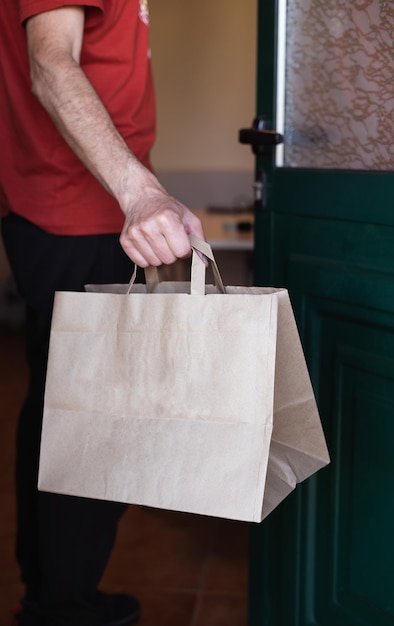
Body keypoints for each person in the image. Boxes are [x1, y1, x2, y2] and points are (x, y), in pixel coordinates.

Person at [0, 1, 205, 624]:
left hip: (73, 213)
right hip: (79, 216)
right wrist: (140, 192)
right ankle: (64, 606)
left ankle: (50, 594)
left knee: (59, 412)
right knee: (93, 426)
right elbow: (50, 64)